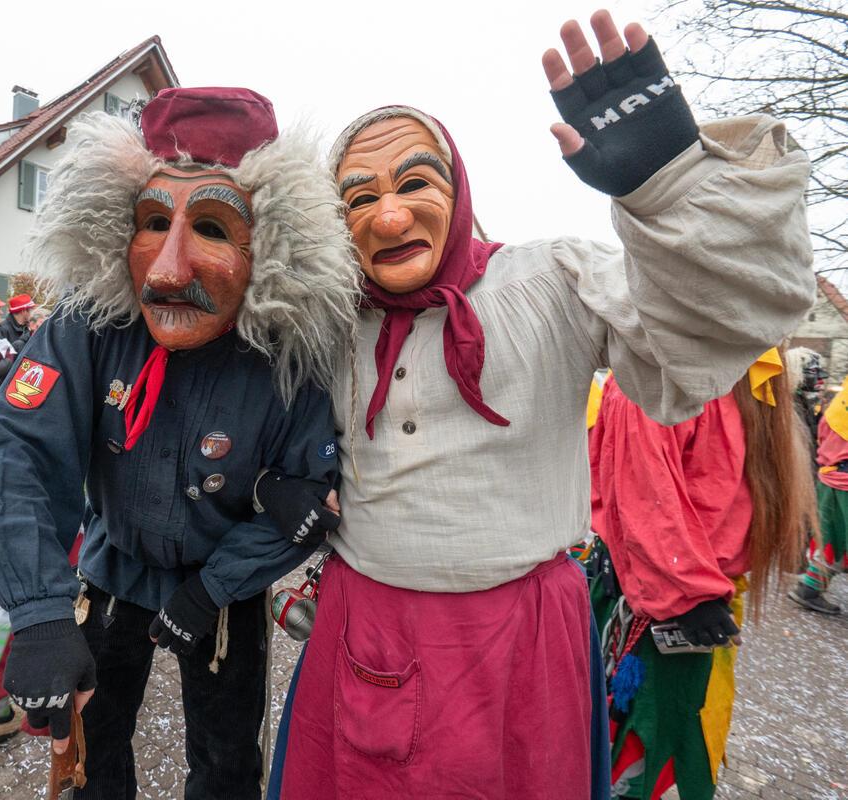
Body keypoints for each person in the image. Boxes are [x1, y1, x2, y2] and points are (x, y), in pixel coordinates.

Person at [275, 12, 814, 800]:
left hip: (519, 642)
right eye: (359, 198)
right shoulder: (330, 320)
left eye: (414, 183)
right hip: (367, 630)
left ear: (457, 190)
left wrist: (668, 185)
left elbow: (719, 328)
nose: (388, 216)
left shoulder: (547, 280)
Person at [0, 87, 357, 799]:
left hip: (222, 595)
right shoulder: (88, 326)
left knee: (226, 760)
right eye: (154, 222)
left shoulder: (291, 357)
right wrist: (40, 614)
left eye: (211, 228)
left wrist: (214, 588)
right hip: (111, 574)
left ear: (269, 245)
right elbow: (19, 451)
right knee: (94, 746)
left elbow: (310, 496)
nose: (169, 269)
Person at [588, 352, 810, 799]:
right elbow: (640, 492)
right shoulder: (656, 371)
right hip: (661, 602)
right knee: (630, 753)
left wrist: (785, 524)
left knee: (678, 737)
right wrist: (687, 592)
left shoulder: (745, 366)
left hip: (702, 599)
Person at [791, 376, 848, 615]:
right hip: (842, 480)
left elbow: (822, 433)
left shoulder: (840, 402)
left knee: (832, 537)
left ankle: (810, 588)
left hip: (830, 476)